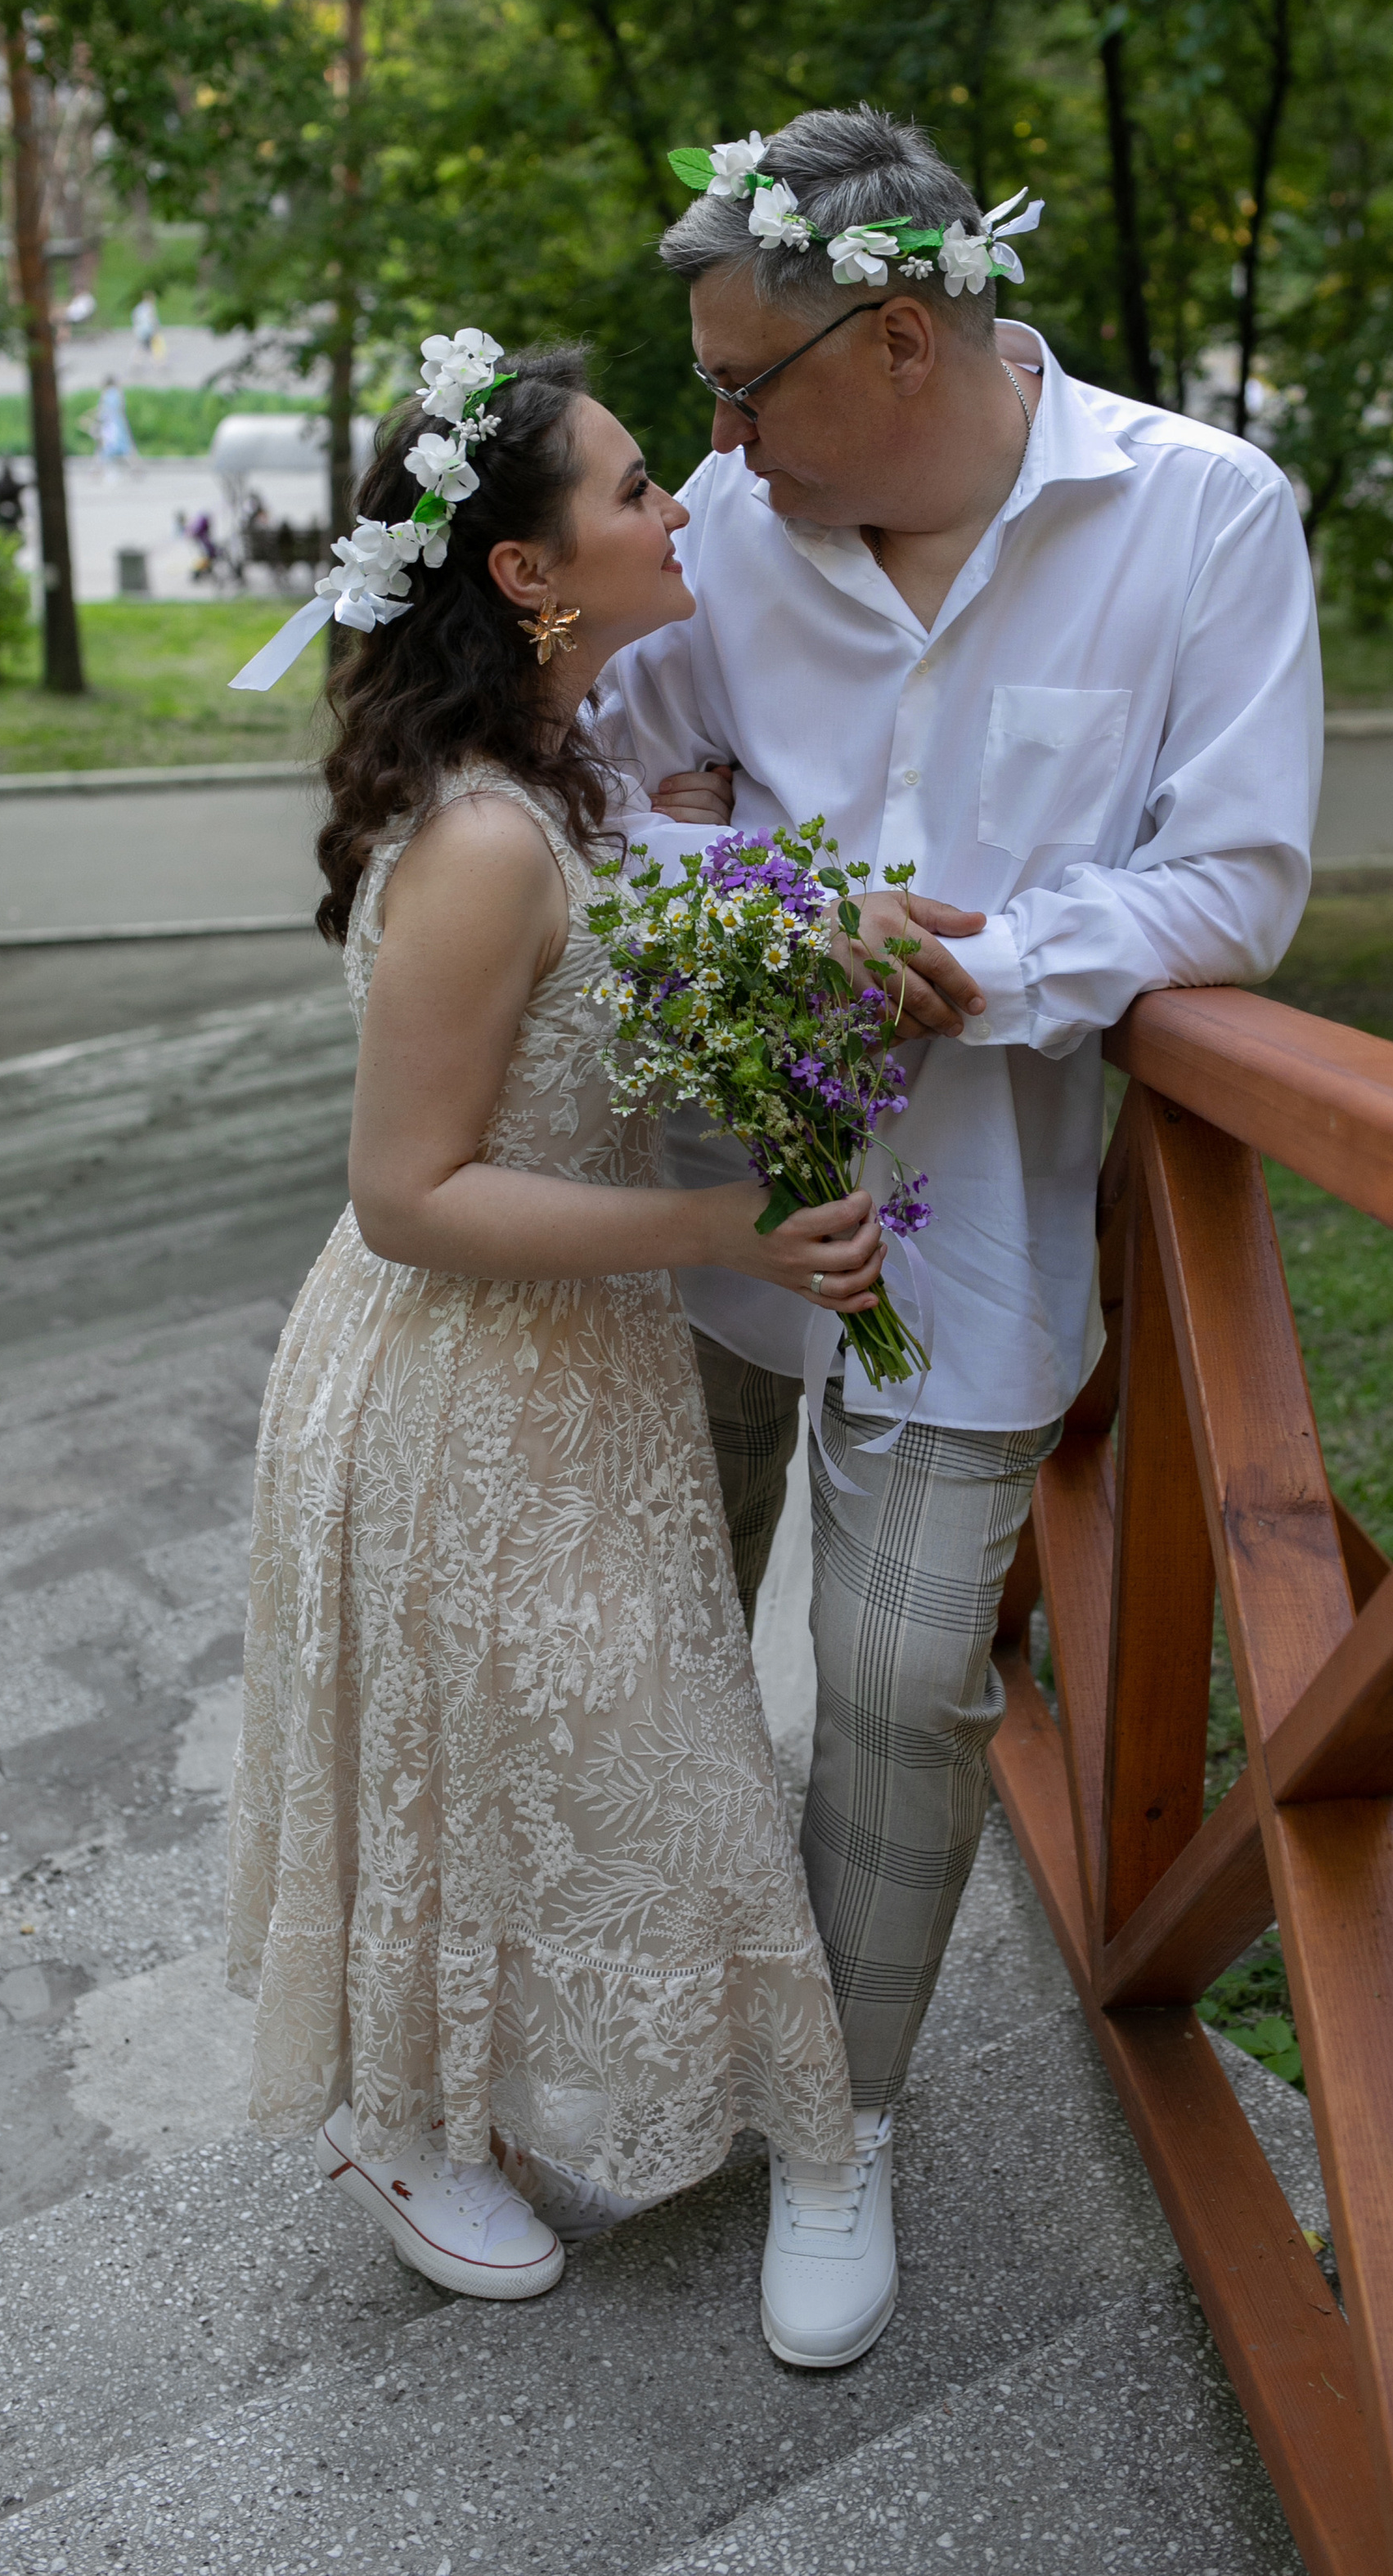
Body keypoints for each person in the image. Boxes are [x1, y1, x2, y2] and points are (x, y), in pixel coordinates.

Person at [597, 104, 1323, 2369]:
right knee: (657, 1627)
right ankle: (658, 2043)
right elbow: (585, 786)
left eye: (745, 387)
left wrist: (989, 963)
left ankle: (844, 2124)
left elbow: (1239, 880)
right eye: (707, 402)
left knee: (906, 1683)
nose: (717, 441)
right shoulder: (734, 522)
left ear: (899, 336)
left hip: (980, 1219)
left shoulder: (1199, 514)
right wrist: (754, 890)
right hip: (707, 1199)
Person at [224, 334, 865, 2328]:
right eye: (632, 487)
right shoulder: (488, 837)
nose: (675, 506)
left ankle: (489, 2102)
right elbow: (406, 1192)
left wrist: (698, 854)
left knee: (581, 1754)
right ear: (525, 571)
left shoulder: (551, 784)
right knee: (513, 1759)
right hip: (454, 1380)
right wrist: (724, 1228)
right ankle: (408, 2125)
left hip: (571, 1365)